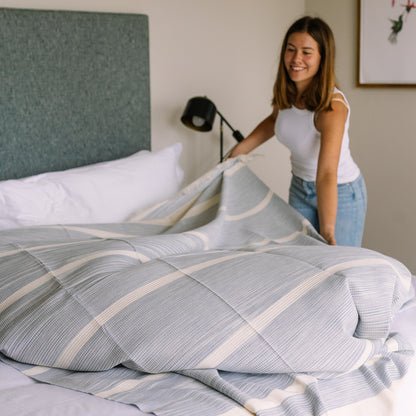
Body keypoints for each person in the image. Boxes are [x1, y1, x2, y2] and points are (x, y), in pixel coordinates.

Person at [230, 16, 366, 247]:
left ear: (323, 58)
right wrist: (236, 154)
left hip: (339, 193)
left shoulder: (332, 108)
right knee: (302, 261)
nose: (296, 59)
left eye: (306, 52)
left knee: (336, 268)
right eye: (291, 50)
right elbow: (275, 120)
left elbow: (326, 173)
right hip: (300, 187)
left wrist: (328, 229)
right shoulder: (290, 93)